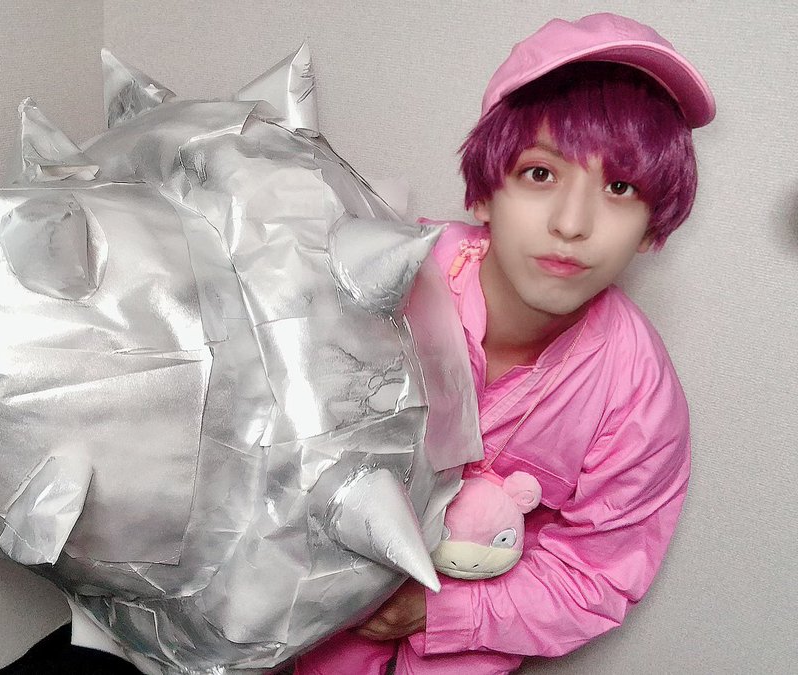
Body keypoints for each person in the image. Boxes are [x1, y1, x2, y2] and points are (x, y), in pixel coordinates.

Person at [295, 12, 715, 675]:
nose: (572, 223)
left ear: (650, 230)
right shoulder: (381, 277)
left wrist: (439, 612)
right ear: (485, 192)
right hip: (299, 617)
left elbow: (595, 577)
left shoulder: (639, 398)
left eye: (619, 187)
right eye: (541, 174)